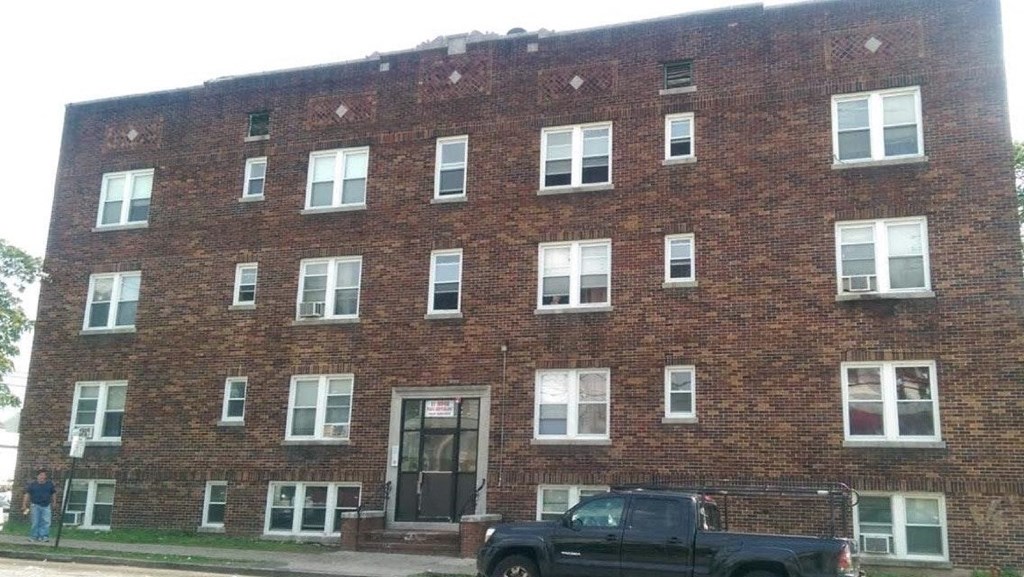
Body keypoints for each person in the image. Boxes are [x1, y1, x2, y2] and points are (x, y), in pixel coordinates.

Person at [21, 469, 56, 543]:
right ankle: (34, 536)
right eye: (40, 475)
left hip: (46, 506)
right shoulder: (32, 485)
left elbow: (53, 494)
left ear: (45, 476)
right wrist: (24, 504)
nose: (42, 477)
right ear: (37, 476)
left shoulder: (49, 484)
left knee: (46, 521)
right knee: (35, 521)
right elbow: (27, 494)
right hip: (35, 505)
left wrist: (54, 502)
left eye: (44, 475)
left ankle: (44, 536)